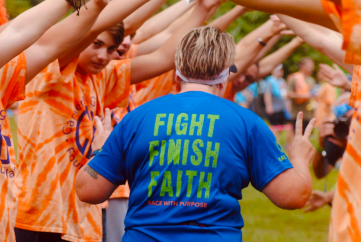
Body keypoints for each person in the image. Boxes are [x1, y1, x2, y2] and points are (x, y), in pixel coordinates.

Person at [75, 26, 316, 242]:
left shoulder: (136, 118)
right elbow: (293, 196)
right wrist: (300, 159)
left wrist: (100, 150)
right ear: (225, 73)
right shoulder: (247, 123)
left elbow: (88, 190)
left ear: (178, 71)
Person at [15, 1, 223, 241]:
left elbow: (164, 58)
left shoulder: (103, 76)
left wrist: (203, 9)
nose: (104, 56)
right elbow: (91, 26)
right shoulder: (53, 70)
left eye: (111, 48)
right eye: (96, 45)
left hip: (81, 218)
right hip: (38, 213)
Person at [287, 57, 316, 133]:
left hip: (309, 114)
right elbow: (288, 94)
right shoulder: (294, 78)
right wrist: (303, 96)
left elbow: (313, 95)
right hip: (297, 114)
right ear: (302, 66)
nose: (311, 69)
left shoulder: (311, 80)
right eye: (309, 66)